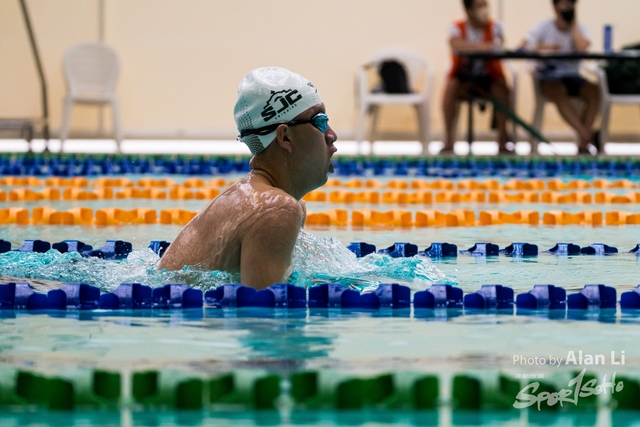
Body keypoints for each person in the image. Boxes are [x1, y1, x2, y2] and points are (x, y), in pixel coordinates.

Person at [158, 67, 338, 290]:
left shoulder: (268, 201)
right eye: (320, 121)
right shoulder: (275, 209)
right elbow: (262, 307)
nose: (331, 135)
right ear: (284, 137)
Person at [522, 0, 600, 154]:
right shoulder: (543, 26)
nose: (568, 8)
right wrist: (546, 48)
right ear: (555, 8)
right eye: (564, 5)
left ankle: (583, 141)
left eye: (571, 5)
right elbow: (523, 46)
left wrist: (573, 25)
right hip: (548, 77)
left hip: (572, 76)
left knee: (594, 91)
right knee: (558, 90)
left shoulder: (580, 29)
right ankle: (587, 135)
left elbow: (582, 48)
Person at [442, 0, 513, 155]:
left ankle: (502, 140)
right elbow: (455, 44)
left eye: (485, 5)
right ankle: (448, 141)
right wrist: (482, 47)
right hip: (464, 76)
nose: (484, 10)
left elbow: (498, 45)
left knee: (502, 88)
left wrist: (472, 47)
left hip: (489, 76)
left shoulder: (495, 26)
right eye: (479, 6)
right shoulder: (457, 27)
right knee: (451, 87)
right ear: (469, 11)